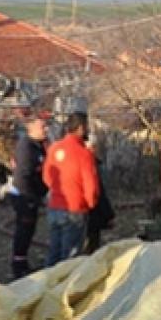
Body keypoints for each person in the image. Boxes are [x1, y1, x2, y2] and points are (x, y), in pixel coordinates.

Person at [41, 112, 99, 267]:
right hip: (75, 208)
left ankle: (46, 285)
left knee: (54, 252)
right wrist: (90, 203)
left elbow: (47, 177)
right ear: (81, 128)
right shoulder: (84, 154)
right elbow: (90, 184)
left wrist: (58, 189)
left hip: (55, 206)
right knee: (70, 258)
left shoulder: (54, 149)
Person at [9, 115, 48, 278]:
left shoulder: (38, 146)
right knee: (24, 230)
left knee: (29, 230)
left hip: (32, 194)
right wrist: (31, 198)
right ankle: (18, 265)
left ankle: (22, 261)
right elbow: (24, 175)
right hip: (25, 196)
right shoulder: (26, 147)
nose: (45, 130)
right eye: (42, 127)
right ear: (31, 128)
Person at [82, 135, 114, 255]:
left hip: (82, 208)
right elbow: (98, 191)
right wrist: (108, 215)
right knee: (91, 242)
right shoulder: (90, 163)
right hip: (90, 209)